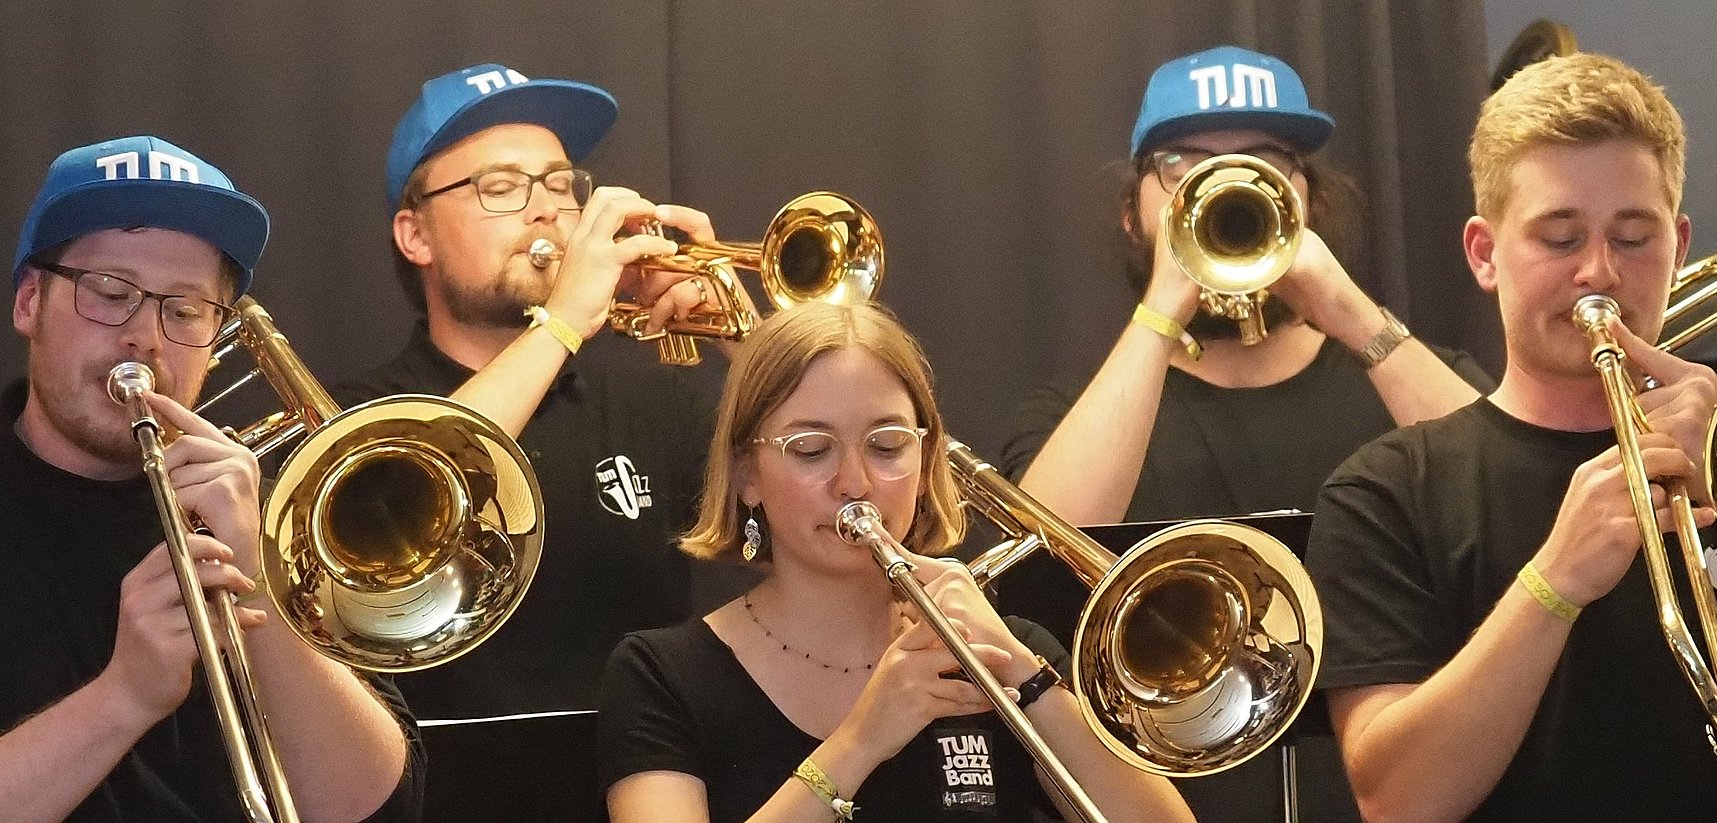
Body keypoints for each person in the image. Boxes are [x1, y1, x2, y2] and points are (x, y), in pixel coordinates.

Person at [1305, 52, 1717, 822]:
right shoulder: (1388, 489)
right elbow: (1397, 799)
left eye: (1634, 237)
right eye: (1559, 238)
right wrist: (1552, 582)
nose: (1598, 272)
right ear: (1484, 254)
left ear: (1680, 243)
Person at [1000, 45, 1489, 822]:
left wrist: (1346, 308)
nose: (1222, 185)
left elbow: (1508, 485)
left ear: (1310, 203)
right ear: (1134, 212)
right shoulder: (1075, 411)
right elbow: (1038, 557)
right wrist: (1163, 309)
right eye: (1182, 166)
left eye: (1267, 162)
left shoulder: (1402, 376)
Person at [598, 302, 1197, 822]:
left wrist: (1025, 676)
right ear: (748, 474)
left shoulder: (1005, 654)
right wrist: (860, 742)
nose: (854, 483)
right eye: (811, 450)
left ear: (926, 457)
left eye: (887, 446)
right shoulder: (661, 674)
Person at [1, 135, 422, 821]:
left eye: (185, 310)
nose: (145, 336)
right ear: (29, 303)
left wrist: (256, 573)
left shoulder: (265, 509)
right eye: (111, 292)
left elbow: (378, 807)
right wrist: (124, 697)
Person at [337, 63, 737, 720]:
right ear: (416, 235)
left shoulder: (659, 404)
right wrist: (566, 321)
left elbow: (833, 517)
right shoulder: (356, 418)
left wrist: (742, 332)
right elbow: (414, 471)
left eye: (561, 183)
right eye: (501, 186)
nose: (548, 208)